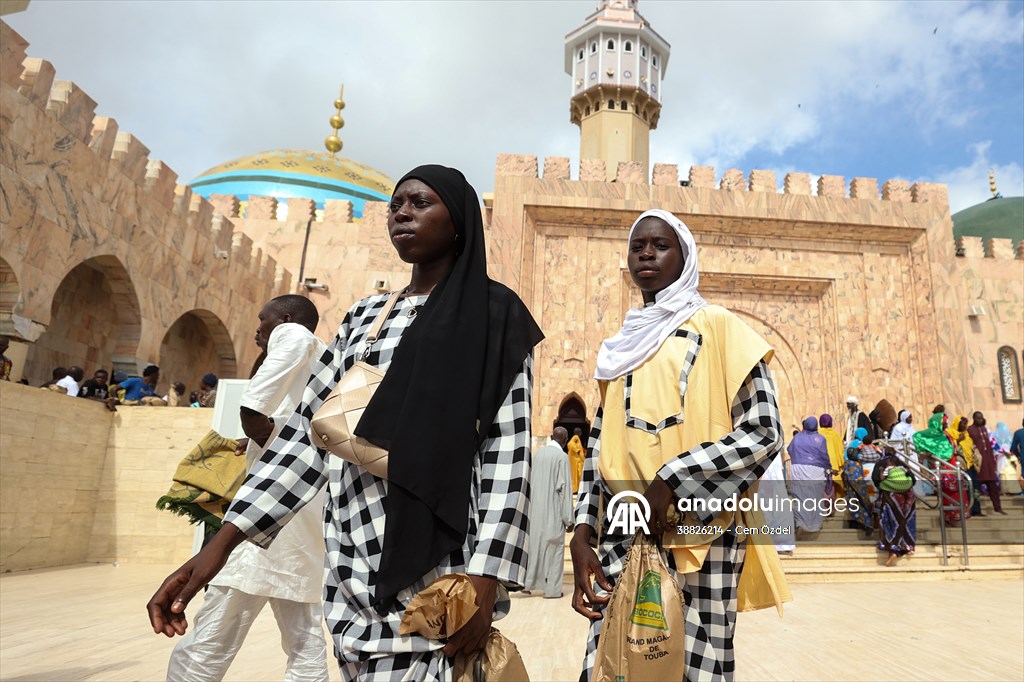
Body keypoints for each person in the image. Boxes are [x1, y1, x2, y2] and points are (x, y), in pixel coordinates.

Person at [148, 165, 544, 679]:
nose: (402, 212)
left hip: (443, 565)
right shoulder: (365, 317)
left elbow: (505, 454)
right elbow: (303, 438)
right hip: (353, 561)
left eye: (421, 203)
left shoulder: (495, 316)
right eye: (395, 205)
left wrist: (487, 577)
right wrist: (220, 546)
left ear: (460, 220)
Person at [569, 209, 787, 682]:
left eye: (660, 245)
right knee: (614, 664)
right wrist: (583, 530)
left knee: (696, 668)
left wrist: (673, 480)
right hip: (623, 533)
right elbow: (602, 447)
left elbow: (765, 431)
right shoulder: (622, 346)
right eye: (637, 245)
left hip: (700, 533)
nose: (646, 253)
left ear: (685, 257)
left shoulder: (719, 326)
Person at [166, 295, 329, 682]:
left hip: (265, 520)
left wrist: (254, 418)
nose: (258, 329)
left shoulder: (293, 333)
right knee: (305, 642)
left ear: (285, 319)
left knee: (208, 641)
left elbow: (257, 406)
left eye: (263, 320)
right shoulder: (324, 360)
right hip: (303, 515)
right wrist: (258, 441)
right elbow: (293, 427)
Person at [524, 426, 573, 598]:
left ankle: (527, 583)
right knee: (555, 550)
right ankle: (552, 590)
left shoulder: (537, 455)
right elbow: (564, 489)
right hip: (553, 511)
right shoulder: (562, 457)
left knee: (534, 546)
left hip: (534, 510)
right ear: (565, 439)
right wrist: (568, 518)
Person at [915, 413, 969, 525]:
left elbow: (951, 448)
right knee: (947, 493)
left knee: (958, 491)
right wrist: (925, 452)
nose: (945, 424)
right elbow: (918, 438)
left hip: (953, 465)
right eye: (943, 423)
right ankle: (948, 517)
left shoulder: (946, 435)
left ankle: (956, 517)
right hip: (943, 468)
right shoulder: (931, 436)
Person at [872, 446, 916, 567]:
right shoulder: (901, 464)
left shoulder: (881, 464)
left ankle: (892, 550)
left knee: (891, 522)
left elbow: (876, 479)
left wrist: (885, 484)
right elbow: (913, 478)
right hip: (908, 496)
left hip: (890, 497)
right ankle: (906, 546)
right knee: (906, 522)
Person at [787, 416, 832, 535]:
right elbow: (824, 455)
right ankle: (816, 525)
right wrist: (828, 467)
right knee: (816, 498)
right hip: (816, 471)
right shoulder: (821, 439)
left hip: (798, 470)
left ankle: (800, 523)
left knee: (800, 497)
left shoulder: (797, 438)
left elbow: (790, 449)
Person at [968, 411, 1005, 514]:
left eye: (981, 418)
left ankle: (998, 508)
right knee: (976, 488)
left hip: (988, 463)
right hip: (979, 464)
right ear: (974, 419)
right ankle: (976, 510)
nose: (980, 420)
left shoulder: (985, 429)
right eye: (978, 418)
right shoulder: (970, 430)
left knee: (993, 487)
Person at [947, 414, 982, 517]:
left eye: (966, 424)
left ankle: (976, 509)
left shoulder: (967, 435)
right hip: (959, 466)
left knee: (974, 487)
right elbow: (947, 448)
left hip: (970, 465)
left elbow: (971, 447)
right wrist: (957, 441)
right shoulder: (951, 433)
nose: (965, 426)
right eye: (962, 423)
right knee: (964, 488)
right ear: (957, 424)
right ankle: (966, 510)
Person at [842, 428, 874, 533]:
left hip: (853, 489)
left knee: (855, 506)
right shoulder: (857, 462)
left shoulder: (849, 463)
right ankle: (866, 524)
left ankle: (860, 523)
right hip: (860, 487)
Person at [818, 413, 846, 499]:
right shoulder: (835, 434)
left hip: (820, 464)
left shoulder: (817, 433)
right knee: (832, 486)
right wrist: (841, 463)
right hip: (833, 464)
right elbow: (840, 450)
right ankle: (830, 507)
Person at [567, 427, 585, 495]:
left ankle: (576, 489)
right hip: (576, 462)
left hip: (577, 461)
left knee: (577, 476)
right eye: (580, 431)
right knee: (576, 475)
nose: (581, 433)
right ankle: (575, 490)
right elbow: (570, 444)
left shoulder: (577, 438)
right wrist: (577, 450)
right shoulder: (576, 437)